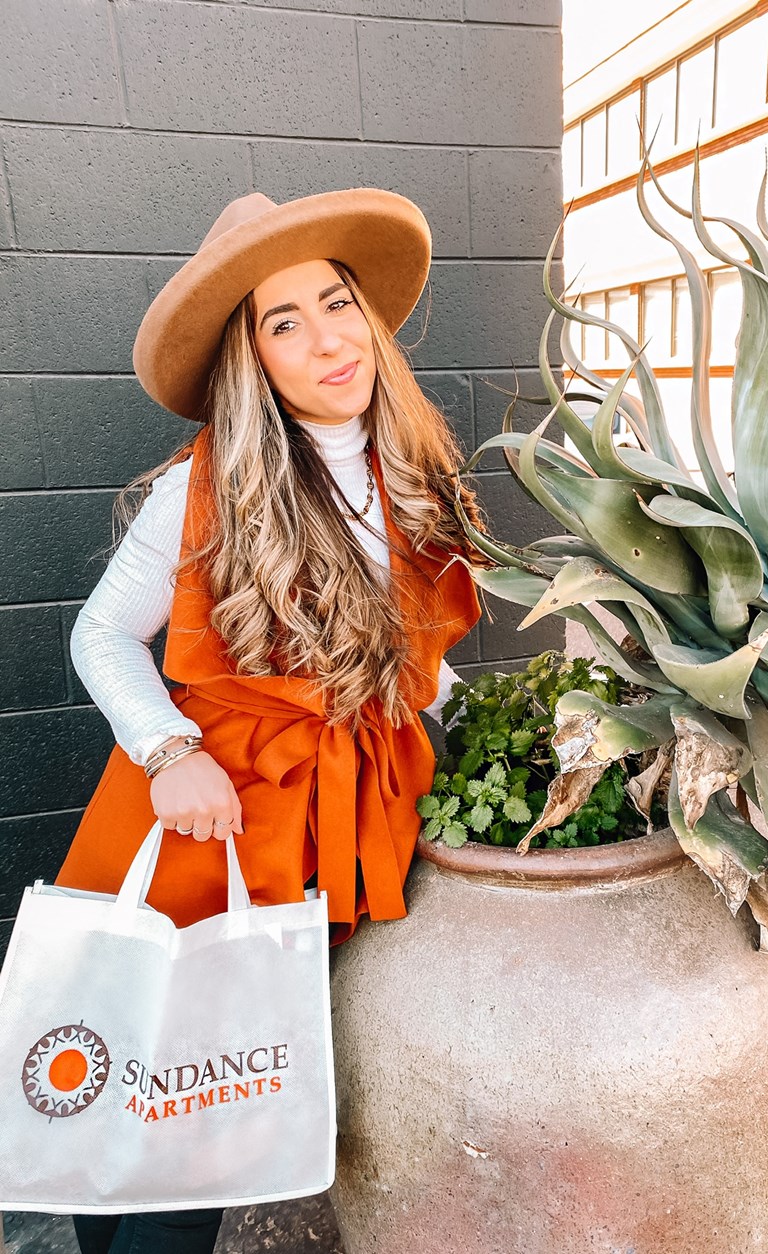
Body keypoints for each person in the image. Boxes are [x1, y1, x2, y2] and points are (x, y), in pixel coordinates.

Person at [55, 188, 484, 1254]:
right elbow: (101, 638)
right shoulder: (203, 489)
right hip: (216, 818)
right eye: (281, 323)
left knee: (236, 1091)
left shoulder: (413, 479)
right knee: (173, 1105)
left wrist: (504, 736)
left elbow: (409, 670)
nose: (325, 339)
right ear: (254, 363)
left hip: (346, 813)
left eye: (334, 303)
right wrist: (167, 752)